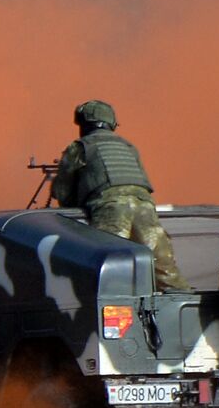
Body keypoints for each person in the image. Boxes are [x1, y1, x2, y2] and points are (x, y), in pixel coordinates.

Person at [50, 99, 192, 291]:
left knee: (110, 269)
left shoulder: (80, 147)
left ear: (84, 124)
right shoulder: (128, 146)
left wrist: (76, 203)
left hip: (110, 208)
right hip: (145, 207)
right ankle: (184, 304)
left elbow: (62, 192)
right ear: (112, 123)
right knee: (165, 270)